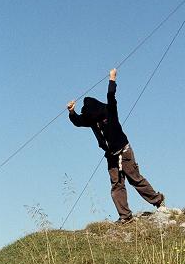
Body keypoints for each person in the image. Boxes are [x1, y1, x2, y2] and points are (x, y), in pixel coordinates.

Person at [67, 68, 164, 223]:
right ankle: (125, 216)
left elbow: (111, 95)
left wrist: (112, 79)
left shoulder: (109, 110)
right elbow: (78, 122)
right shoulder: (91, 119)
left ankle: (158, 201)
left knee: (135, 179)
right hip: (111, 156)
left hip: (124, 152)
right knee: (116, 185)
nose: (88, 117)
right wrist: (72, 112)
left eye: (88, 114)